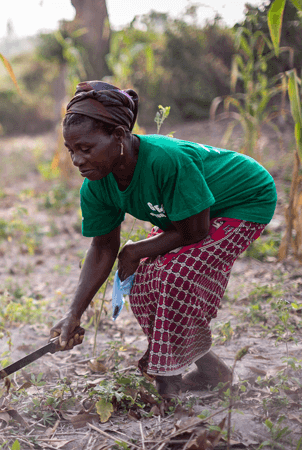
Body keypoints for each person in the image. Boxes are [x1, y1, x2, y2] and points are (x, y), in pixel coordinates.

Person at [49, 81, 276, 398]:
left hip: (243, 199)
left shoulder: (165, 160)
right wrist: (74, 313)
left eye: (86, 148)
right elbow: (102, 247)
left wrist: (135, 249)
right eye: (71, 150)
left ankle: (166, 383)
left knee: (173, 275)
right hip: (187, 212)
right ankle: (212, 371)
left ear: (118, 137)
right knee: (142, 281)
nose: (77, 160)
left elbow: (195, 232)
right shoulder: (96, 183)